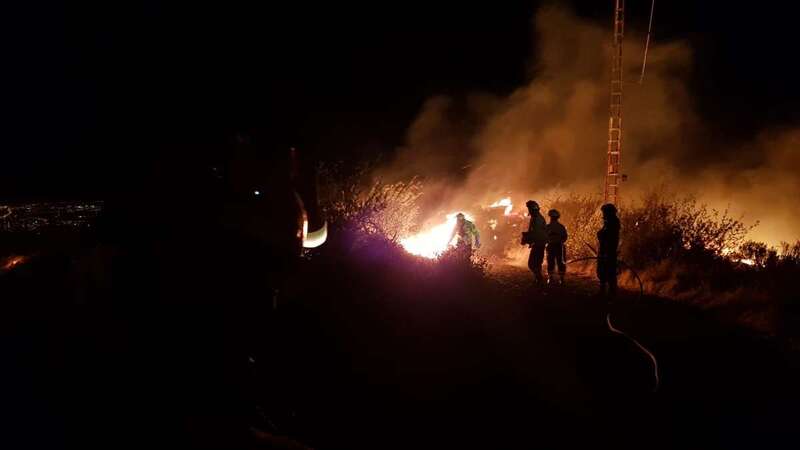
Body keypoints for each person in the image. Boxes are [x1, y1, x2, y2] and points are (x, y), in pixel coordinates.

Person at [597, 203, 621, 297]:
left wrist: (607, 252)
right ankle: (604, 292)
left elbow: (610, 238)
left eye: (604, 212)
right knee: (603, 272)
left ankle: (611, 293)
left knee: (609, 272)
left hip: (608, 251)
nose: (603, 214)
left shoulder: (613, 223)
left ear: (608, 212)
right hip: (605, 250)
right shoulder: (609, 222)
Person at [523, 200, 548, 285]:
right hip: (539, 243)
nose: (529, 210)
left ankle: (539, 279)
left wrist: (528, 238)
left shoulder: (537, 219)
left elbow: (537, 233)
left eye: (529, 208)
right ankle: (538, 280)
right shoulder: (536, 217)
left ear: (533, 209)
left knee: (531, 264)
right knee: (537, 263)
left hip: (539, 243)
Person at [545, 209, 568, 286]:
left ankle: (551, 278)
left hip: (552, 245)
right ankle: (561, 278)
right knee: (560, 262)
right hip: (558, 246)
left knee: (551, 261)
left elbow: (544, 237)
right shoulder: (561, 227)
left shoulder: (547, 227)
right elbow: (565, 237)